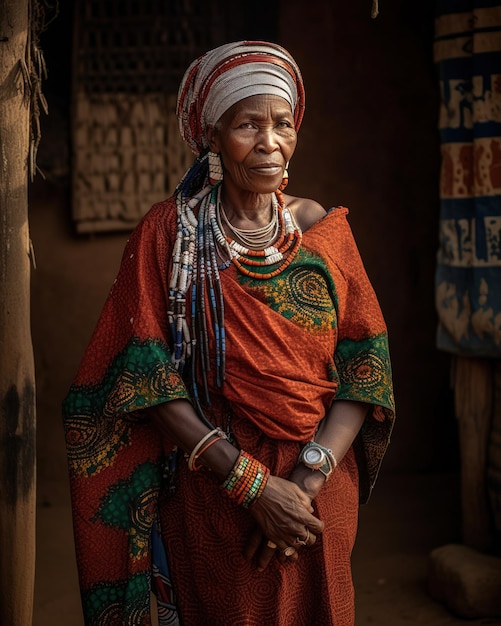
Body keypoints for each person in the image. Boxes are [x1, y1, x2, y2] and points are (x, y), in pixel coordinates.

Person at [63, 41, 395, 626]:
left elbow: (366, 366)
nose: (270, 142)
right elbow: (146, 374)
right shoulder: (168, 234)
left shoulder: (322, 231)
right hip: (213, 494)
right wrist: (254, 488)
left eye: (282, 124)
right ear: (212, 136)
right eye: (248, 124)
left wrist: (304, 484)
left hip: (317, 496)